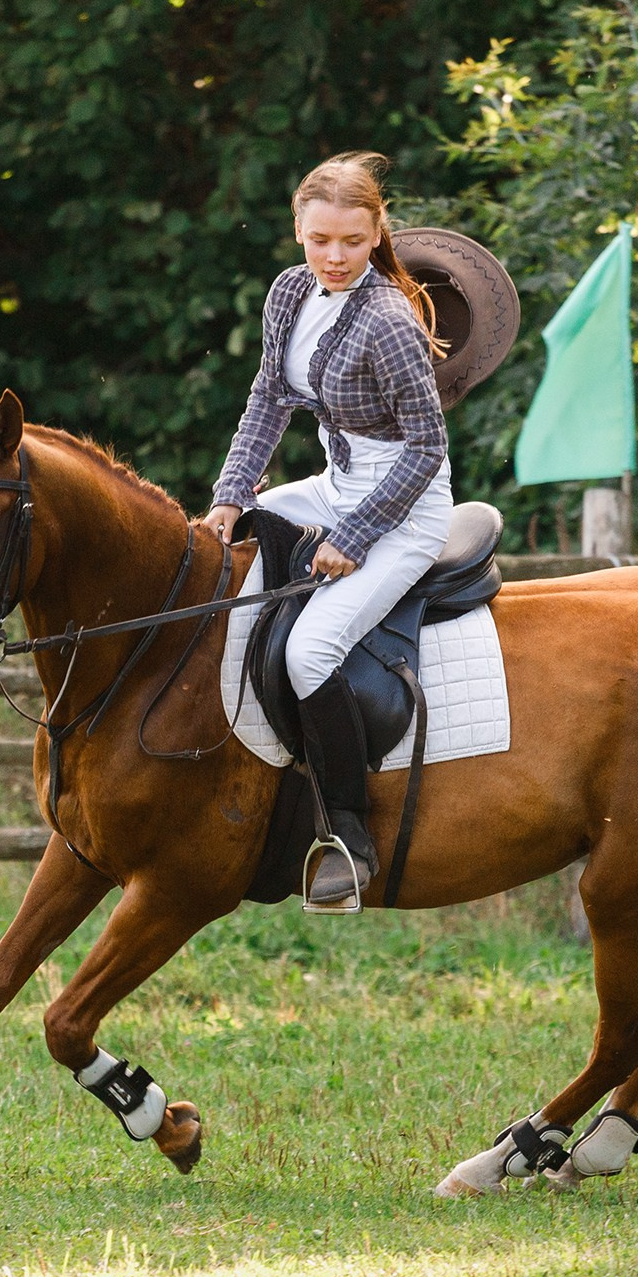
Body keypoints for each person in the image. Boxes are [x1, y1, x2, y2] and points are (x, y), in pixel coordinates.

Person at [202, 151, 451, 908]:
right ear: (299, 234)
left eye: (351, 241)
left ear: (377, 232)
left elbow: (427, 447)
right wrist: (231, 493)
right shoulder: (288, 294)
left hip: (403, 508)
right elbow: (269, 399)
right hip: (335, 483)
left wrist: (356, 536)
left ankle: (347, 831)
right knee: (225, 549)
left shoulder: (387, 321)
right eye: (319, 241)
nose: (335, 257)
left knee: (312, 652)